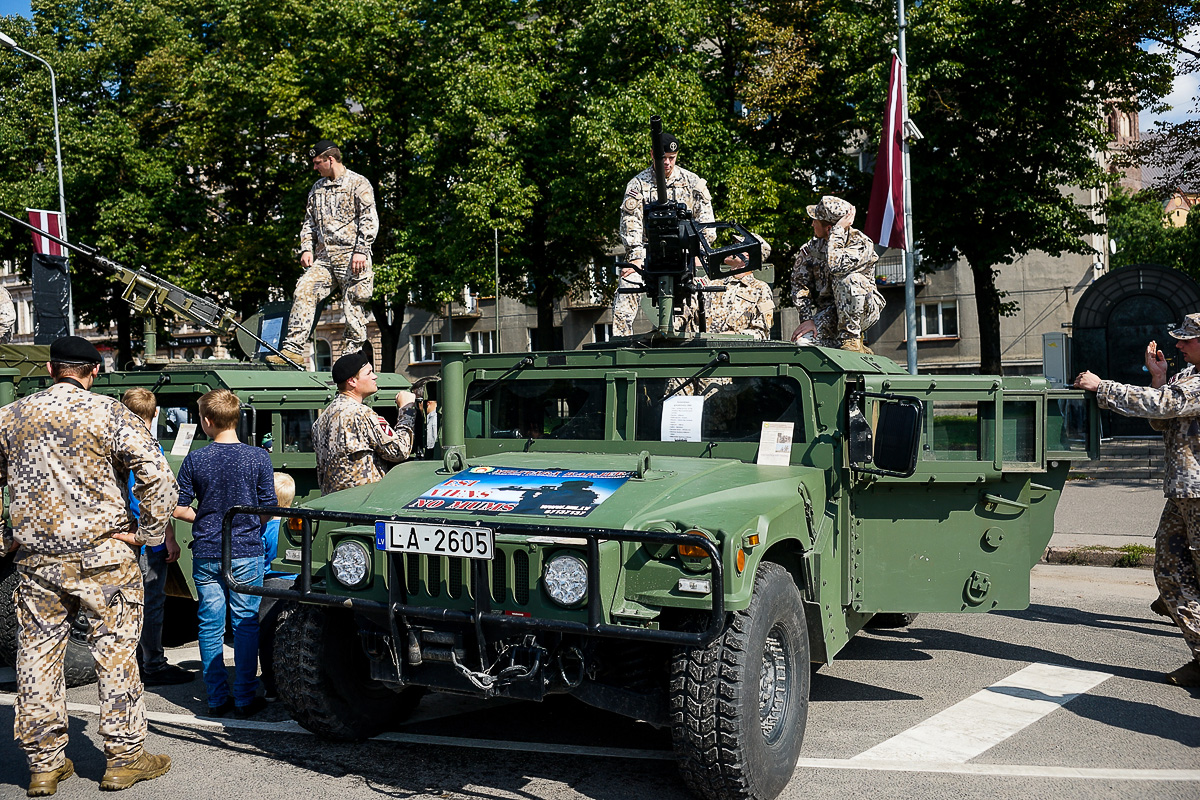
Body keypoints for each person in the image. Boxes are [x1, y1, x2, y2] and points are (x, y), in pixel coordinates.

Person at [0, 336, 177, 794]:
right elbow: (156, 474)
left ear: (51, 369)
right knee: (115, 652)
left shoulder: (12, 415)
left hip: (37, 558)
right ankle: (124, 757)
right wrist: (148, 535)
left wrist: (7, 537)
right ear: (93, 371)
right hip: (104, 556)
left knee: (37, 656)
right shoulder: (109, 412)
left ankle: (44, 765)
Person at [1075, 318, 1200, 687]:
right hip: (1183, 491)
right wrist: (1159, 377)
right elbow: (1163, 420)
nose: (1178, 346)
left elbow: (1163, 405)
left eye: (1187, 341)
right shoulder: (1190, 374)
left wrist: (1104, 388)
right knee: (1169, 570)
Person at [173, 389, 277, 717]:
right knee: (245, 623)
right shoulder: (259, 457)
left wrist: (205, 517)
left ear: (206, 421)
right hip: (246, 549)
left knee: (209, 623)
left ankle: (216, 698)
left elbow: (178, 508)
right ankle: (245, 696)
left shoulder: (196, 459)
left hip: (206, 550)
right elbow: (268, 508)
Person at [267, 139, 379, 364]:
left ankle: (351, 360)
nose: (315, 167)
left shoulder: (359, 183)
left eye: (317, 162)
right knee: (304, 290)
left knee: (353, 306)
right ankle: (294, 350)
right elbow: (309, 222)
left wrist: (361, 250)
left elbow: (369, 220)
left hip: (352, 257)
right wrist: (306, 248)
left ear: (330, 159)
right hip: (325, 258)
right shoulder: (317, 189)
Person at [120, 388, 193, 687]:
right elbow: (161, 499)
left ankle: (131, 661)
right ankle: (152, 664)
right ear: (155, 414)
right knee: (151, 601)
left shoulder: (111, 446)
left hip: (118, 535)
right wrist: (170, 538)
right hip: (148, 538)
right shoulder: (150, 448)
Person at [613, 131, 715, 337]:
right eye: (662, 158)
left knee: (708, 290)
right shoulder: (638, 185)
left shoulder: (693, 182)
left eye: (671, 158)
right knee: (626, 287)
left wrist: (697, 253)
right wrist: (636, 257)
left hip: (686, 257)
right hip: (650, 258)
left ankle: (702, 340)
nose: (667, 163)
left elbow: (707, 226)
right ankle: (619, 342)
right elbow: (630, 225)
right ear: (652, 155)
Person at [789, 195, 885, 354]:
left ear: (829, 228)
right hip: (832, 312)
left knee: (850, 279)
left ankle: (852, 339)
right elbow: (799, 285)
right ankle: (842, 347)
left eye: (816, 220)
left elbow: (836, 265)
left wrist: (837, 232)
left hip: (864, 308)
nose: (812, 223)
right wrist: (807, 319)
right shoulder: (811, 248)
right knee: (803, 343)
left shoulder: (861, 243)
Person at [312, 351, 417, 494]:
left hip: (333, 507)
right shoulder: (361, 414)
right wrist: (407, 409)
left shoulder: (321, 421)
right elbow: (399, 451)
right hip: (363, 505)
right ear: (352, 381)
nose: (375, 376)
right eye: (369, 373)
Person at [258, 471, 296, 702]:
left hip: (270, 584)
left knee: (266, 635)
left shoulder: (264, 528)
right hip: (295, 582)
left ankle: (271, 685)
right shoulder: (294, 525)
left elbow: (260, 558)